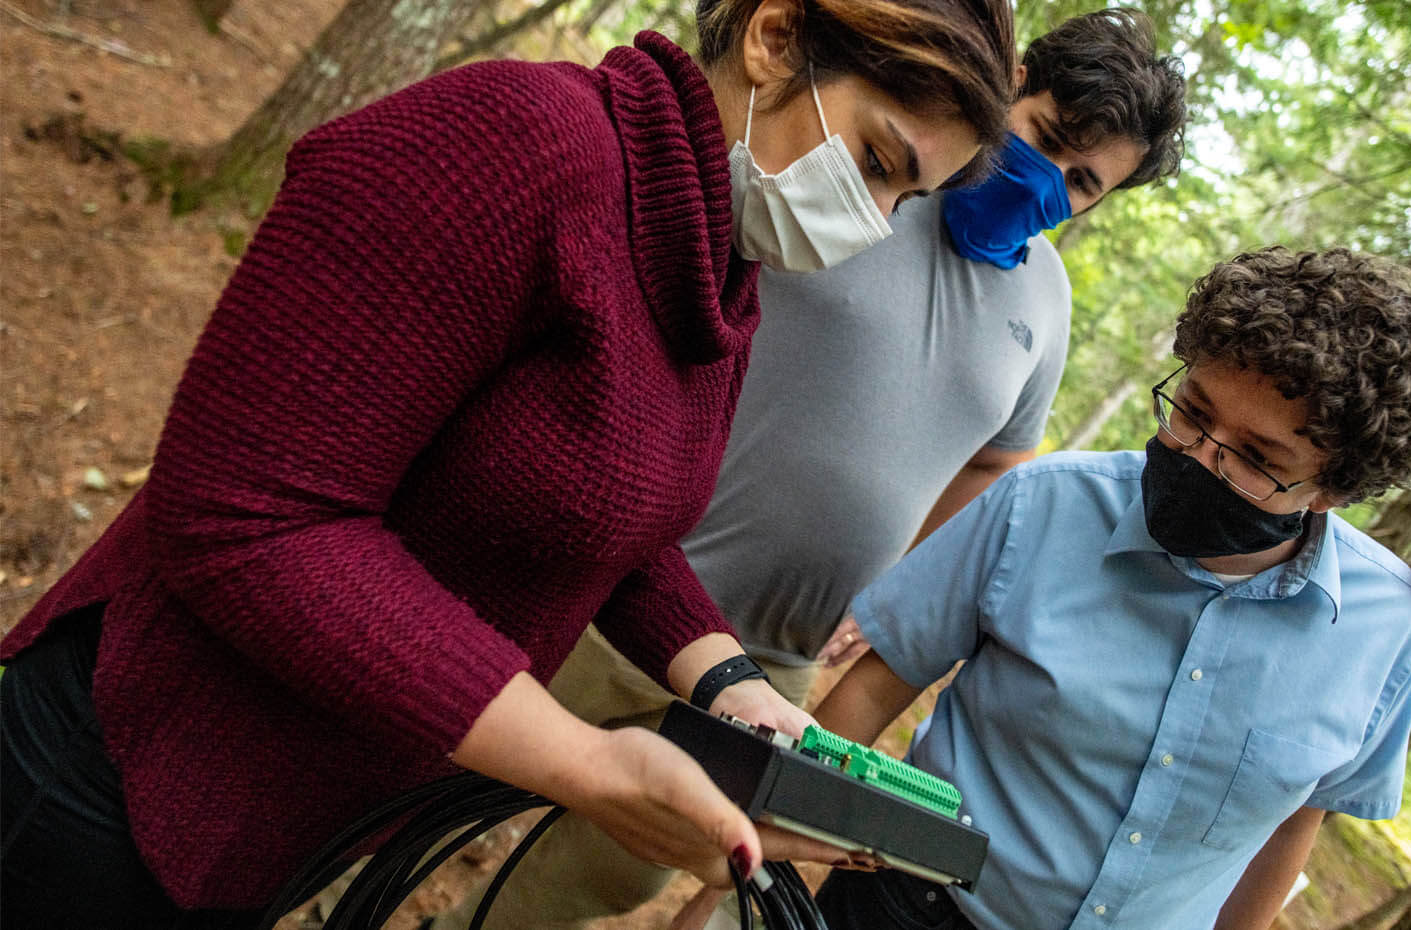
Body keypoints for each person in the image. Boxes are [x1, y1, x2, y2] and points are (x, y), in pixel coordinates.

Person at [0, 0, 1018, 925]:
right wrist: (579, 761)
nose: (876, 223)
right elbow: (249, 515)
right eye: (880, 162)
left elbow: (614, 524)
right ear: (775, 37)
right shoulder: (514, 143)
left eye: (904, 199)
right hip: (127, 773)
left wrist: (734, 689)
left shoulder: (714, 270)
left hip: (296, 816)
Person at [428, 10, 1188, 930]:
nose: (1050, 185)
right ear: (1010, 85)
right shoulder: (842, 173)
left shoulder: (1046, 306)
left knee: (614, 871)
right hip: (612, 569)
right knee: (439, 765)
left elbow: (995, 461)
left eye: (1082, 183)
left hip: (771, 656)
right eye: (1047, 140)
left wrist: (899, 590)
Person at [808, 246, 1411, 930]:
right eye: (1191, 410)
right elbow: (876, 685)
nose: (1196, 453)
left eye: (1255, 456)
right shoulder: (1046, 503)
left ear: (1334, 489)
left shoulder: (1390, 630)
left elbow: (1293, 825)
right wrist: (759, 856)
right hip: (902, 907)